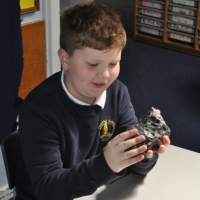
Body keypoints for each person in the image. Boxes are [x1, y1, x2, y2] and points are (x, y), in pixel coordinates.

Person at [15, 2, 170, 200]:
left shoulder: (117, 92)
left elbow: (137, 169)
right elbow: (48, 189)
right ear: (65, 59)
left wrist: (143, 152)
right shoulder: (39, 110)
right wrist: (106, 165)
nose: (104, 75)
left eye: (113, 63)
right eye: (92, 64)